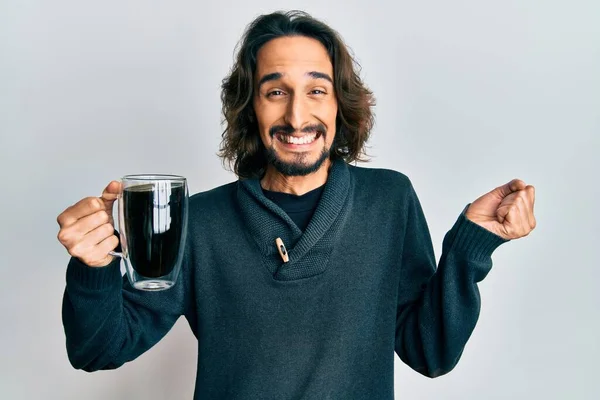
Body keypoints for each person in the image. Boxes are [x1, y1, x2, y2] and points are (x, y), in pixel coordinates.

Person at [56, 10, 536, 400]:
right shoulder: (200, 222)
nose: (297, 115)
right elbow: (98, 348)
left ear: (338, 105)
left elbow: (429, 352)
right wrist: (94, 266)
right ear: (250, 108)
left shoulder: (389, 201)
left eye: (316, 90)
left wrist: (471, 245)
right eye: (275, 92)